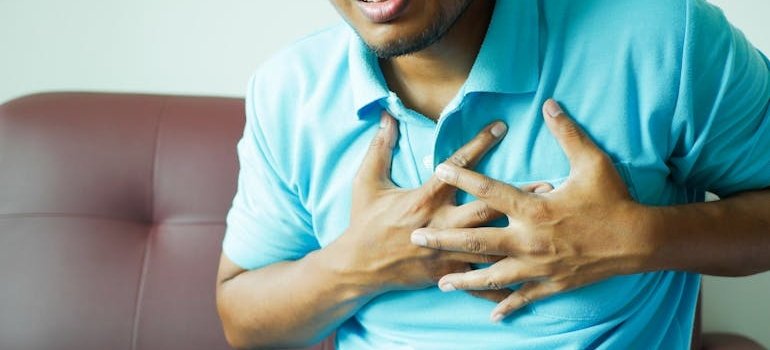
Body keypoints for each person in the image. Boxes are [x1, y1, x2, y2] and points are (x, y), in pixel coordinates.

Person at [215, 0, 770, 348]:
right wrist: (358, 265)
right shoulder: (286, 90)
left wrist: (636, 238)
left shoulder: (668, 35)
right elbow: (244, 324)